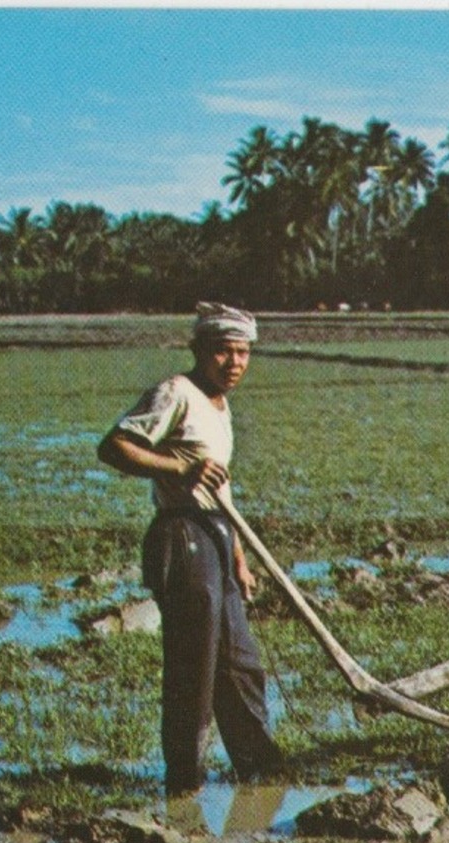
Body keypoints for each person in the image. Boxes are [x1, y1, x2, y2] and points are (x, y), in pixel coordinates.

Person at [98, 302, 285, 795]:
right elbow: (114, 446)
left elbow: (222, 489)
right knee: (194, 662)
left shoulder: (221, 407)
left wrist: (239, 559)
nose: (235, 362)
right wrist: (179, 468)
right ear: (200, 350)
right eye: (224, 351)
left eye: (243, 353)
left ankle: (257, 765)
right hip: (181, 535)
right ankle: (185, 777)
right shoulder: (176, 392)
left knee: (241, 660)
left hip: (217, 533)